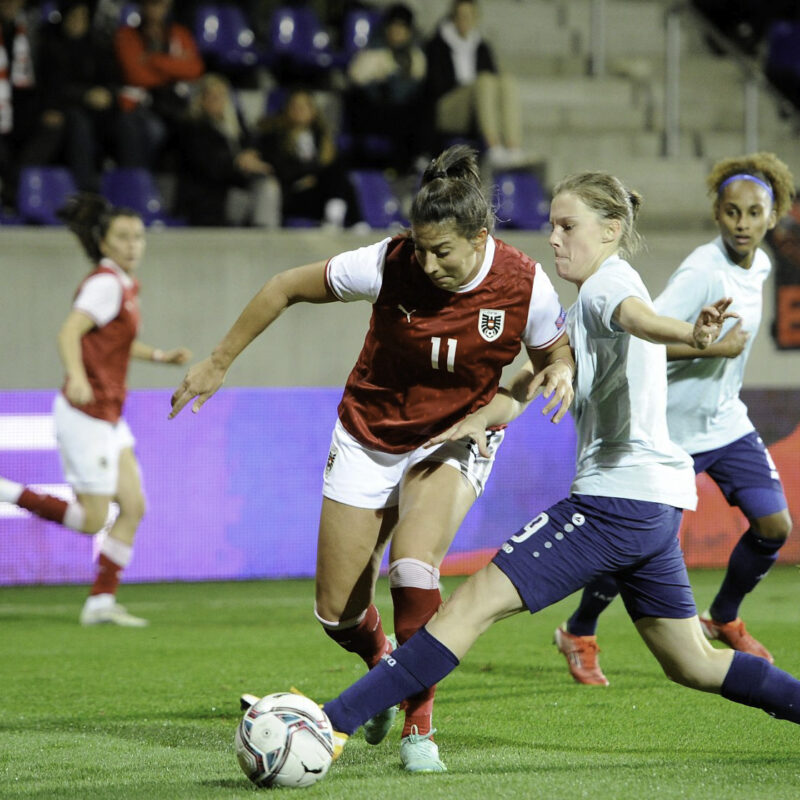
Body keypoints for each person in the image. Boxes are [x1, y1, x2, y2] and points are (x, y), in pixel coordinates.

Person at [289, 170, 800, 772]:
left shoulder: (610, 286)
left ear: (611, 230)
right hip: (656, 505)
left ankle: (327, 724)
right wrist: (483, 417)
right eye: (552, 225)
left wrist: (689, 331)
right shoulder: (585, 305)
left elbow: (639, 317)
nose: (553, 239)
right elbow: (530, 383)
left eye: (567, 227)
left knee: (467, 608)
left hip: (614, 504)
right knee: (693, 663)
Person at [169, 145, 575, 772]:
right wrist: (219, 360)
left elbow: (554, 357)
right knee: (336, 613)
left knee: (413, 567)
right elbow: (284, 287)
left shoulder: (524, 284)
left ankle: (421, 729)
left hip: (454, 438)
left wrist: (559, 376)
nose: (429, 263)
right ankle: (384, 663)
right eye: (422, 248)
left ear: (481, 236)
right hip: (367, 434)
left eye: (444, 252)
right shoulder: (386, 263)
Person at [553, 152, 796, 687]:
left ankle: (725, 615)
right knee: (637, 542)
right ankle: (580, 628)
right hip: (672, 431)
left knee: (775, 525)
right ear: (717, 213)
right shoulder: (700, 271)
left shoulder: (760, 266)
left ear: (773, 216)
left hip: (726, 421)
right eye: (732, 212)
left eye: (754, 213)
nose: (742, 223)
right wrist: (712, 348)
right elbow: (644, 340)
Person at [0, 193, 191, 626]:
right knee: (92, 520)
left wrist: (161, 357)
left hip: (109, 415)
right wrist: (78, 376)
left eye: (138, 237)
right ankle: (8, 493)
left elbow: (116, 341)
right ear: (104, 243)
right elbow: (70, 332)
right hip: (86, 414)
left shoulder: (122, 285)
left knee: (134, 505)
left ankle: (100, 602)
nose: (132, 245)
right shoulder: (105, 284)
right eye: (122, 237)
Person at [21, 0, 119, 193]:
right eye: (73, 16)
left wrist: (108, 95)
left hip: (95, 112)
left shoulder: (96, 44)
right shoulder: (48, 42)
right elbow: (47, 86)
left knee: (132, 124)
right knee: (77, 123)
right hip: (59, 107)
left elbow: (112, 80)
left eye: (82, 18)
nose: (77, 22)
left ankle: (126, 188)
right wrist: (84, 95)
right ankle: (86, 189)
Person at [424, 0, 526, 169]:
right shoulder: (437, 45)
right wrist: (469, 89)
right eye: (461, 16)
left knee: (507, 81)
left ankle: (513, 146)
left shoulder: (481, 47)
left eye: (470, 16)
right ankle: (492, 145)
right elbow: (435, 86)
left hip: (476, 106)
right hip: (448, 107)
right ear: (453, 18)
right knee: (484, 81)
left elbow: (495, 79)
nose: (466, 21)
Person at [175, 73, 280, 227]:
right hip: (207, 195)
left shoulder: (234, 122)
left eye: (222, 95)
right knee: (256, 192)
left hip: (235, 189)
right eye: (212, 96)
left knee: (268, 186)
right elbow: (208, 165)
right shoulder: (193, 126)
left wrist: (250, 153)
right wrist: (238, 163)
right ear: (201, 99)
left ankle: (265, 235)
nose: (218, 100)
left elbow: (252, 140)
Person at [113, 0, 204, 170]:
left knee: (195, 131)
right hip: (139, 106)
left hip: (173, 104)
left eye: (162, 5)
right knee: (153, 130)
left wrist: (153, 60)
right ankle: (141, 182)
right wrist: (175, 68)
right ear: (143, 6)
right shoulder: (126, 35)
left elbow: (195, 69)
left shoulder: (180, 34)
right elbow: (136, 76)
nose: (157, 10)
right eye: (152, 4)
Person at [256, 86, 363, 229]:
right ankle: (347, 218)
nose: (299, 110)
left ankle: (348, 220)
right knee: (332, 175)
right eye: (295, 106)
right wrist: (313, 174)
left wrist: (315, 177)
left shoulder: (321, 138)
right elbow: (281, 169)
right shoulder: (276, 137)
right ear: (287, 110)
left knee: (340, 174)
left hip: (319, 192)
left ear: (313, 111)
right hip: (293, 194)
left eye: (305, 106)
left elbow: (334, 166)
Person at [345, 2, 428, 173]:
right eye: (394, 27)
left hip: (403, 115)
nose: (397, 32)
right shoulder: (372, 53)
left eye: (402, 28)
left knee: (420, 104)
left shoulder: (415, 56)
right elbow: (356, 79)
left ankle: (416, 161)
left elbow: (417, 82)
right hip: (374, 113)